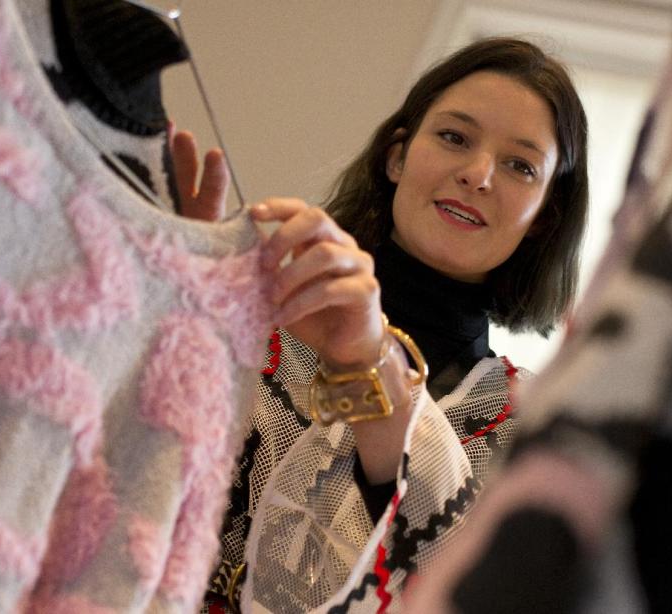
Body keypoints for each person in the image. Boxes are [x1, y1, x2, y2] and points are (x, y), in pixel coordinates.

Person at [177, 36, 589, 612]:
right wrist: (170, 320)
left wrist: (371, 362)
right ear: (397, 156)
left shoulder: (536, 428)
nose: (478, 174)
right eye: (454, 137)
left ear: (545, 215)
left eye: (520, 165)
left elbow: (481, 586)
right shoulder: (252, 331)